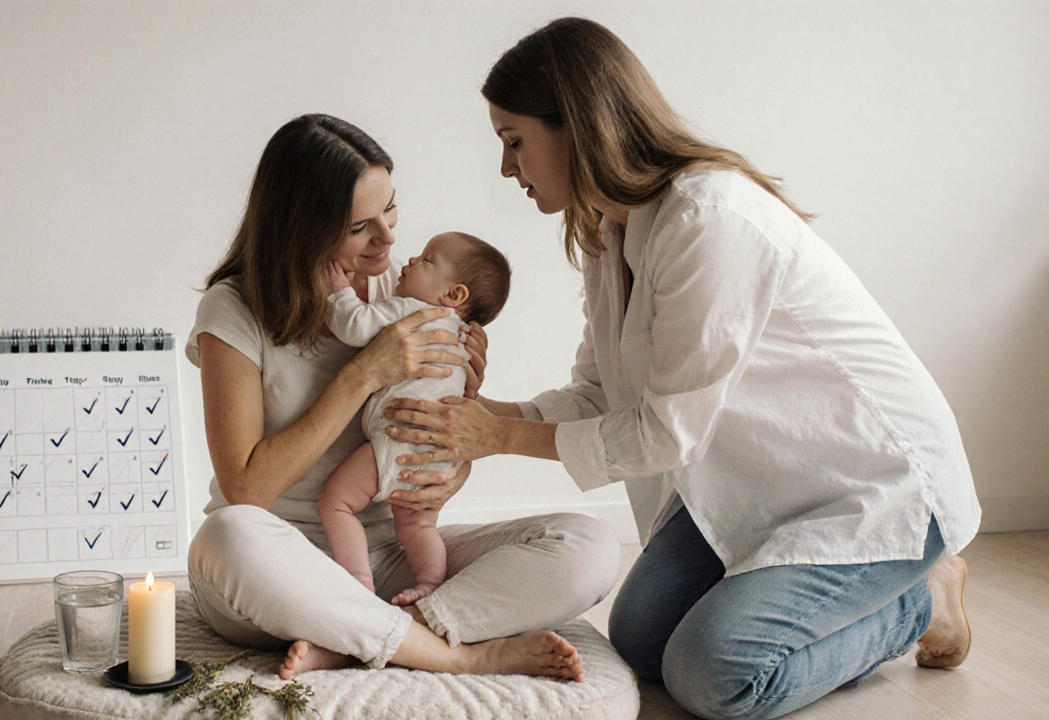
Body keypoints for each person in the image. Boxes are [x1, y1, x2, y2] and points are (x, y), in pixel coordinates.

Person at [381, 18, 981, 720]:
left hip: (872, 483)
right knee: (640, 640)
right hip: (761, 478)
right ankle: (845, 590)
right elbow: (599, 393)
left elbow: (665, 435)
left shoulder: (709, 222)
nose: (507, 169)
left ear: (575, 124)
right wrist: (480, 421)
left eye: (514, 142)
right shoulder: (611, 228)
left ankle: (917, 600)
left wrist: (499, 437)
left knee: (715, 675)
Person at [186, 113, 621, 683]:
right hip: (278, 566)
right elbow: (245, 488)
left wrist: (452, 453)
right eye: (359, 226)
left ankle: (370, 635)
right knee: (227, 534)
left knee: (590, 543)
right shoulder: (234, 309)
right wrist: (364, 373)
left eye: (390, 207)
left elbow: (428, 433)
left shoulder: (404, 289)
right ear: (302, 229)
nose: (388, 238)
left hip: (387, 556)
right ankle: (457, 654)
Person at [320, 231, 512, 608]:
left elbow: (354, 325)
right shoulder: (462, 335)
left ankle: (359, 585)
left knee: (337, 503)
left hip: (399, 440)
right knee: (419, 525)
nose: (409, 260)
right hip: (441, 452)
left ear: (453, 295)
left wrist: (340, 292)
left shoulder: (409, 310)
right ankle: (429, 584)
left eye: (427, 259)